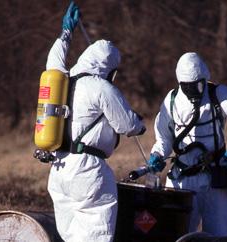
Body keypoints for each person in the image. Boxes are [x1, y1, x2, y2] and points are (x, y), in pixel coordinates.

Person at [45, 2, 146, 242]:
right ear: (110, 68)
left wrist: (65, 33)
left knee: (71, 235)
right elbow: (127, 125)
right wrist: (140, 124)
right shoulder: (101, 87)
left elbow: (54, 59)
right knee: (96, 233)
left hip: (59, 168)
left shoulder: (63, 79)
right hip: (88, 171)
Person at [146, 52, 227, 237]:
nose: (194, 90)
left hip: (214, 177)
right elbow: (164, 138)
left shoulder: (218, 94)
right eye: (188, 86)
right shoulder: (172, 100)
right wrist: (158, 154)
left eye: (198, 85)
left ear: (204, 78)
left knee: (223, 235)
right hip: (182, 180)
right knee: (176, 234)